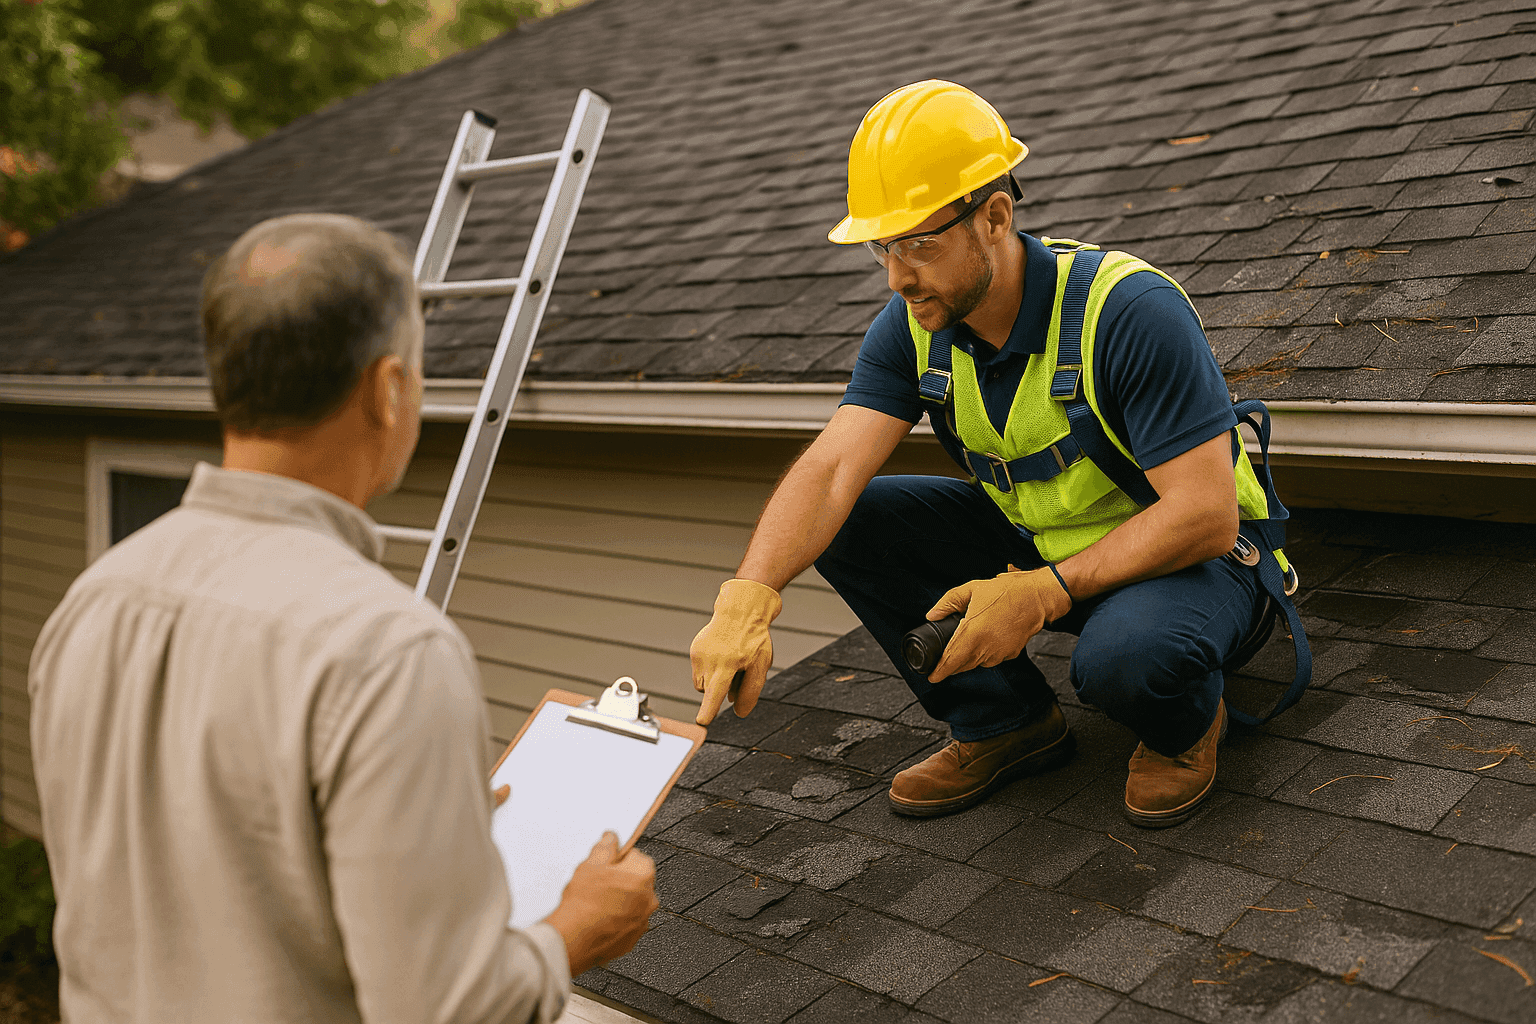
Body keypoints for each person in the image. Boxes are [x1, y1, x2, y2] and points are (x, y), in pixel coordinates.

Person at [29, 213, 657, 1023]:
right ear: (388, 388)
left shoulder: (93, 600)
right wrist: (577, 930)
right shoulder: (388, 652)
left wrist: (411, 823)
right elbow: (449, 1010)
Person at [690, 81, 1304, 829]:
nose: (896, 274)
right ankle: (1005, 724)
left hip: (1194, 569)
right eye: (883, 246)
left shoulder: (1131, 312)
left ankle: (1184, 730)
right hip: (1043, 553)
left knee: (1125, 661)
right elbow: (830, 471)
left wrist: (1043, 593)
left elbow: (1205, 516)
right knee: (852, 516)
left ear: (996, 217)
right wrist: (748, 595)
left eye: (919, 242)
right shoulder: (917, 322)